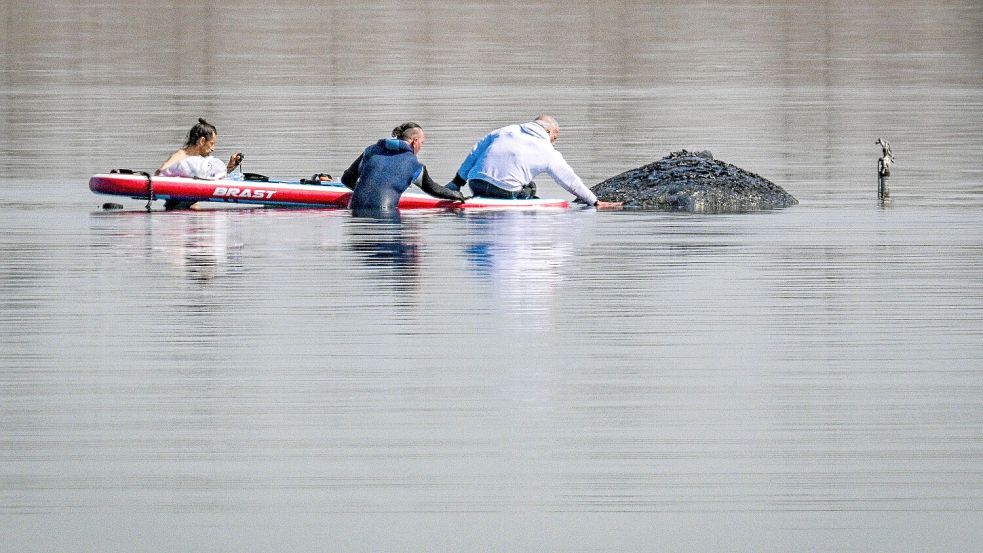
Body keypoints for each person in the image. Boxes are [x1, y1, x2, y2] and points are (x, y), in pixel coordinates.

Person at [449, 114, 621, 209]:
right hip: (504, 192)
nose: (555, 139)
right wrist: (595, 201)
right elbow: (569, 180)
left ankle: (478, 197)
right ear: (548, 131)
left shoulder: (505, 130)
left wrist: (457, 183)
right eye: (556, 135)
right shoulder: (547, 151)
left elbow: (475, 152)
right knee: (530, 188)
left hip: (475, 183)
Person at [341, 122, 465, 215]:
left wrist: (367, 189)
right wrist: (455, 194)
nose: (421, 147)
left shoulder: (370, 151)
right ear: (414, 142)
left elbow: (346, 179)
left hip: (354, 211)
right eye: (422, 143)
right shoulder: (414, 165)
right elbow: (433, 189)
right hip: (384, 217)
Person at [156, 118, 243, 209]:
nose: (213, 149)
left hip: (191, 213)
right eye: (212, 143)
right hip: (177, 212)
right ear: (202, 141)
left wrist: (229, 169)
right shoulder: (181, 156)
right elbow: (160, 172)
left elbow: (204, 177)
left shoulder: (198, 161)